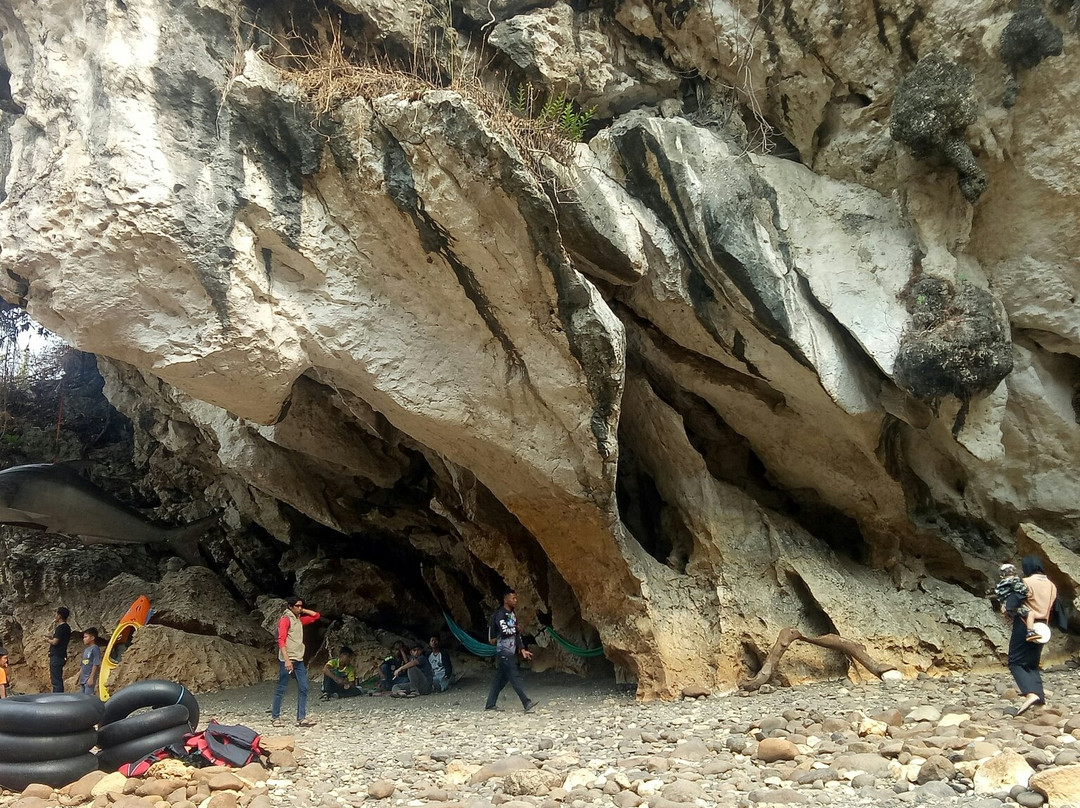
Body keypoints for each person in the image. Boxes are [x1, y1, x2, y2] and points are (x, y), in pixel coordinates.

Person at [1004, 555, 1058, 715]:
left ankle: (1030, 693)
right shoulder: (1052, 586)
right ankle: (1039, 701)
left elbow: (1012, 603)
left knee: (1015, 662)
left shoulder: (1025, 582)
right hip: (1043, 627)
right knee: (1032, 664)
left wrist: (1007, 610)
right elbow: (1057, 609)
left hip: (1025, 625)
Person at [271, 595, 321, 728]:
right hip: (288, 659)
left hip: (298, 659)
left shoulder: (298, 620)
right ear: (290, 607)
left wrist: (303, 610)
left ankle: (301, 718)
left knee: (304, 687)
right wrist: (287, 661)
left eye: (301, 606)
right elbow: (281, 640)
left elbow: (316, 616)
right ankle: (275, 717)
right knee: (281, 688)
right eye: (297, 606)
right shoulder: (285, 620)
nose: (299, 608)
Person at [485, 588, 538, 712]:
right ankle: (526, 702)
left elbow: (516, 634)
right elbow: (504, 632)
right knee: (514, 675)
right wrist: (516, 629)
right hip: (503, 651)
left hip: (510, 650)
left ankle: (490, 704)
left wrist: (522, 649)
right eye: (513, 598)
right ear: (505, 600)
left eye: (516, 598)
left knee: (500, 680)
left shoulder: (512, 614)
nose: (516, 600)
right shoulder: (500, 614)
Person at [995, 564, 1039, 641]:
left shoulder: (1000, 585)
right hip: (1014, 606)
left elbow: (1000, 596)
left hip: (1006, 606)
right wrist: (1028, 593)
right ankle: (1030, 632)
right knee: (1030, 613)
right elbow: (1023, 590)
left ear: (1001, 575)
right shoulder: (1015, 581)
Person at [46, 607, 72, 693]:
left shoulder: (60, 628)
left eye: (56, 614)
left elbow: (55, 642)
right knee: (58, 678)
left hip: (56, 656)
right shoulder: (67, 627)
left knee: (56, 680)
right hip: (62, 655)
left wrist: (48, 640)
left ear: (59, 616)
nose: (55, 616)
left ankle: (57, 698)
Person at [79, 628, 101, 696]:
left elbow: (95, 664)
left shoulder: (95, 648)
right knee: (82, 697)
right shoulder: (86, 650)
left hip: (89, 678)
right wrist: (78, 676)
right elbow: (83, 664)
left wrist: (91, 678)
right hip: (83, 678)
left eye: (86, 637)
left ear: (92, 638)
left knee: (88, 697)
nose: (84, 639)